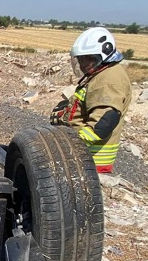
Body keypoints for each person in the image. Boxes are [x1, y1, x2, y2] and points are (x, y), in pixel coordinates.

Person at [50, 27, 132, 173]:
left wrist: (72, 144)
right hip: (84, 157)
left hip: (91, 161)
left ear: (103, 55)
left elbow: (103, 122)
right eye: (80, 59)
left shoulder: (109, 79)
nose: (82, 64)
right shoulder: (101, 73)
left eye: (88, 59)